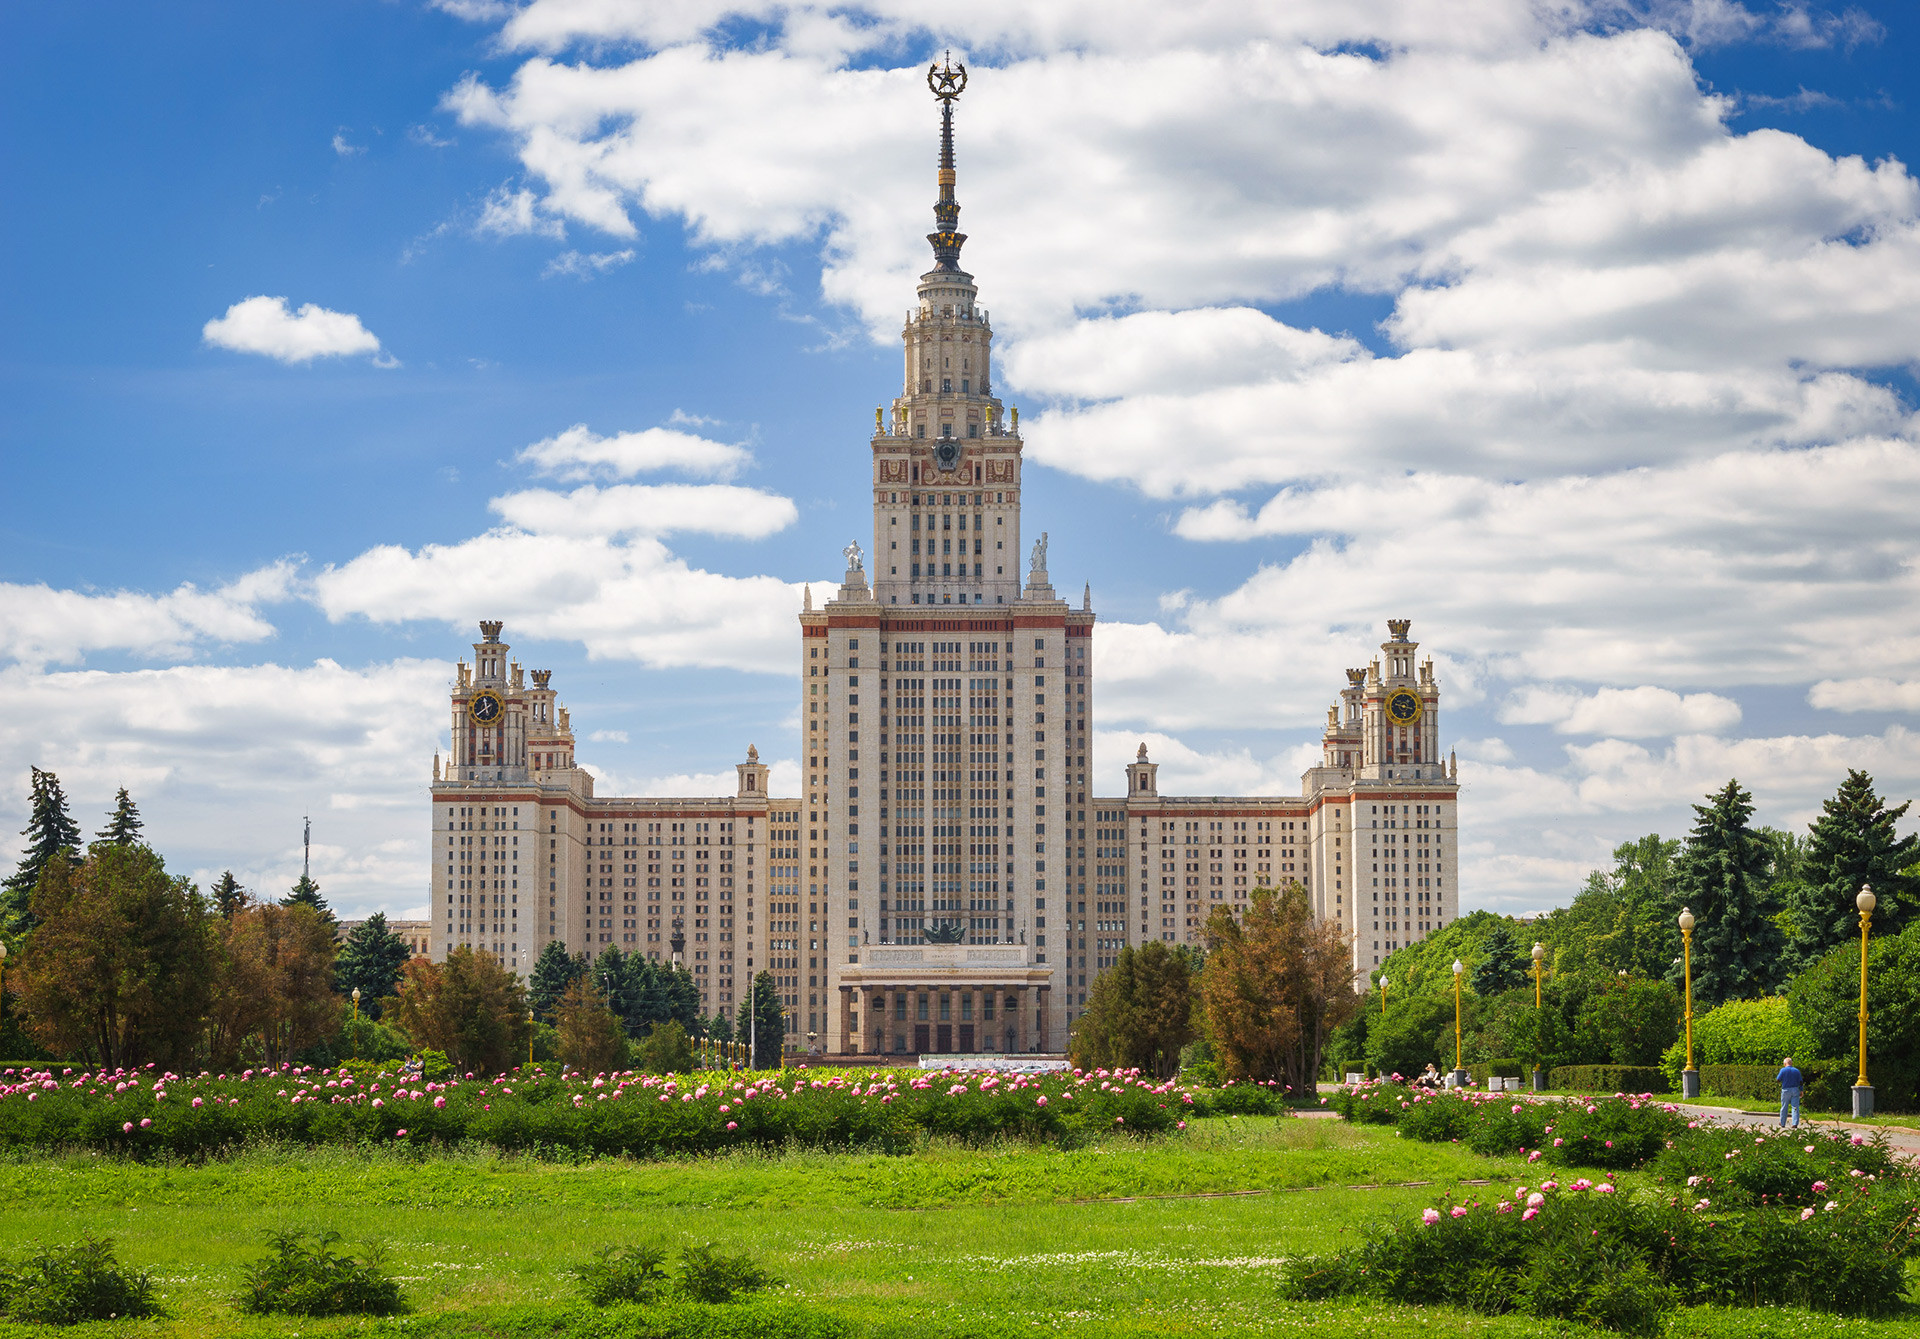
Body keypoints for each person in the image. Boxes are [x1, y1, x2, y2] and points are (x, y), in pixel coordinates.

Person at [1777, 1055, 1804, 1128]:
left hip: (1786, 1089)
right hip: (1795, 1089)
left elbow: (1778, 1079)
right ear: (1791, 1063)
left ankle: (1782, 1123)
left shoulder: (1783, 1070)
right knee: (1795, 1107)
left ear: (1785, 1064)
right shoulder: (1796, 1070)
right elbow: (1801, 1081)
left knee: (1784, 1106)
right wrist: (1801, 1090)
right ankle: (1794, 1123)